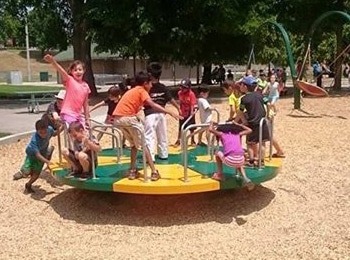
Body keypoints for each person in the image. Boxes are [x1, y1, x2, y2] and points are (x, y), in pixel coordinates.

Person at [113, 71, 181, 181]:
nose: (151, 86)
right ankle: (154, 172)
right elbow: (153, 104)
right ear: (145, 83)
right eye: (150, 84)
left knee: (134, 145)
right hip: (129, 119)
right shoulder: (142, 91)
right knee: (144, 145)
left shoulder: (132, 90)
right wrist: (170, 112)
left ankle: (132, 170)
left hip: (118, 119)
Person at [144, 62, 180, 161]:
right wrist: (178, 108)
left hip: (149, 114)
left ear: (150, 75)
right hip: (162, 114)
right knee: (162, 135)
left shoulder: (146, 87)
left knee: (149, 136)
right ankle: (163, 154)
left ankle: (150, 157)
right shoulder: (163, 87)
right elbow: (170, 99)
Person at [44, 54, 90, 127]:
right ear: (71, 72)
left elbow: (85, 104)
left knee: (86, 133)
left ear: (84, 71)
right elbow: (61, 71)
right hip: (68, 113)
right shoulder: (70, 80)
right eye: (75, 70)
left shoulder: (86, 86)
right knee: (75, 132)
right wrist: (53, 61)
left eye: (80, 69)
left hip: (78, 115)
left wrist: (87, 118)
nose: (78, 72)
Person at [13, 119, 57, 193]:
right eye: (41, 133)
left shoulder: (49, 129)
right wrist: (47, 162)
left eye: (44, 132)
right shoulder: (34, 140)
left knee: (36, 173)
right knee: (26, 171)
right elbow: (37, 155)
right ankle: (23, 172)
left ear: (47, 129)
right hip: (32, 155)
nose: (43, 134)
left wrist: (61, 127)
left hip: (42, 153)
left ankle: (28, 184)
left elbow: (55, 134)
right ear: (37, 131)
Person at [235, 76, 270, 167]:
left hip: (252, 123)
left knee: (250, 143)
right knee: (262, 142)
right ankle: (261, 161)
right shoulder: (260, 94)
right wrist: (268, 115)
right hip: (262, 122)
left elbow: (240, 111)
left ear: (245, 87)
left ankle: (251, 161)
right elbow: (269, 103)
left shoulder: (244, 99)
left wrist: (240, 120)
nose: (240, 87)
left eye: (241, 85)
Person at [209, 122, 255, 191]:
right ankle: (246, 178)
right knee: (239, 163)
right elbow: (250, 130)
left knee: (217, 153)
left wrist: (212, 123)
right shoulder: (238, 134)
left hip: (230, 160)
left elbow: (210, 130)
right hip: (241, 159)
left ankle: (220, 174)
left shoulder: (222, 134)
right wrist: (240, 125)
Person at [173, 78, 197, 146]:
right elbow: (181, 102)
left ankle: (192, 141)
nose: (182, 89)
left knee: (191, 128)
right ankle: (178, 140)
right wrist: (179, 110)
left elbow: (192, 104)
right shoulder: (180, 93)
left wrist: (192, 112)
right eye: (181, 87)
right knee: (181, 127)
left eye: (184, 87)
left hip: (189, 112)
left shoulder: (191, 94)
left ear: (188, 88)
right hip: (183, 112)